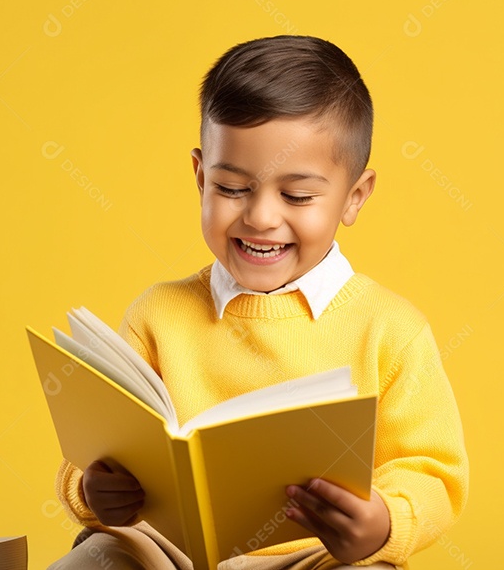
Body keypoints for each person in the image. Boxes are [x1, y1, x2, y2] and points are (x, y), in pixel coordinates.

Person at [47, 35, 469, 570]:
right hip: (167, 554)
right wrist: (91, 489)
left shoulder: (390, 330)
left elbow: (430, 469)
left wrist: (383, 520)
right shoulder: (157, 315)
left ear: (354, 197)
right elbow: (94, 446)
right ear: (200, 178)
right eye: (231, 188)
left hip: (312, 558)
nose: (261, 218)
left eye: (296, 196)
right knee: (99, 558)